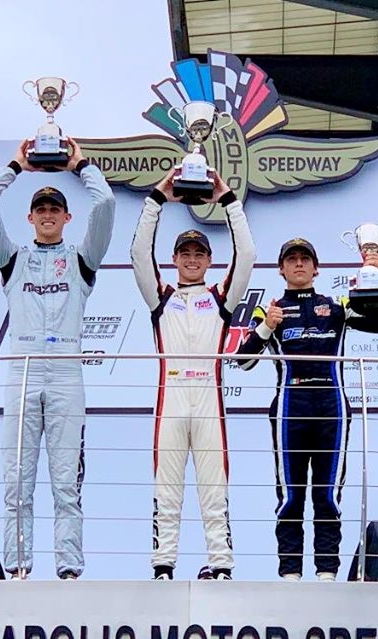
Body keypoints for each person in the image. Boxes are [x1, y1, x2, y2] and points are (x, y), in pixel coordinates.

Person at [0, 138, 116, 580]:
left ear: (68, 218)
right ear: (30, 217)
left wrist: (81, 166)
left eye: (56, 209)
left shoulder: (82, 259)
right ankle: (18, 570)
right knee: (17, 481)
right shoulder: (12, 258)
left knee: (67, 483)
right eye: (41, 209)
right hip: (23, 372)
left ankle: (69, 570)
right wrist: (17, 165)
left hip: (67, 375)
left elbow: (106, 203)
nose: (49, 214)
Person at [235, 238, 378, 581]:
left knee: (328, 496)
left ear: (316, 268)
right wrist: (267, 326)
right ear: (281, 269)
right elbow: (242, 361)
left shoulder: (336, 306)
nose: (299, 264)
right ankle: (290, 575)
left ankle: (326, 574)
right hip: (290, 408)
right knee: (290, 497)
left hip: (331, 407)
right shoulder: (270, 309)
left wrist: (374, 280)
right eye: (291, 259)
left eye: (305, 259)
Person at [131, 168, 256, 581]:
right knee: (165, 489)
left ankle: (221, 565)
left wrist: (228, 200)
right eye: (184, 253)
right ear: (174, 260)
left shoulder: (220, 299)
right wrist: (156, 199)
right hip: (171, 397)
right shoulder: (160, 298)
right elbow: (138, 254)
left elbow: (247, 255)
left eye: (198, 254)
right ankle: (163, 566)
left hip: (207, 399)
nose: (191, 259)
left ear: (209, 261)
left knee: (214, 489)